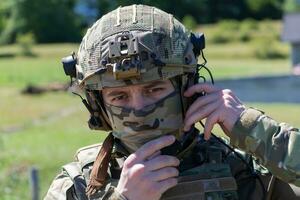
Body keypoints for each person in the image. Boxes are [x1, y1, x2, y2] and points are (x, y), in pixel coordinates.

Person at [45, 4, 300, 200]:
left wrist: (253, 129)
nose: (139, 108)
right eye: (119, 96)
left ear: (186, 87)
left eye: (154, 89)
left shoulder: (243, 168)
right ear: (99, 105)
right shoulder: (79, 185)